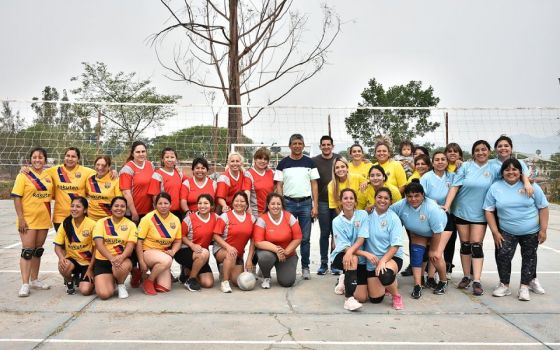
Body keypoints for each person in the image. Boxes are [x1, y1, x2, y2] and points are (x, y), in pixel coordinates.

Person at [484, 159, 549, 301]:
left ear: (520, 172)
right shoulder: (496, 187)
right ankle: (504, 285)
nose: (511, 172)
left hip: (531, 231)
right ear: (502, 173)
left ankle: (524, 287)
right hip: (507, 231)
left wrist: (543, 230)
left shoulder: (531, 186)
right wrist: (495, 232)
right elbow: (488, 210)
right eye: (507, 170)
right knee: (503, 255)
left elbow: (543, 207)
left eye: (514, 169)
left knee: (529, 258)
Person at [443, 140, 496, 296]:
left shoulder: (494, 167)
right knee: (465, 245)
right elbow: (455, 187)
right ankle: (466, 276)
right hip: (461, 211)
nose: (480, 152)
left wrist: (527, 182)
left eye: (484, 149)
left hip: (480, 212)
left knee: (476, 245)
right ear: (473, 153)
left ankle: (477, 280)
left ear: (489, 151)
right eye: (477, 150)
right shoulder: (465, 167)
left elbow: (509, 177)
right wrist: (447, 205)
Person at [391, 182, 449, 299]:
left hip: (441, 230)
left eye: (417, 196)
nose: (413, 199)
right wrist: (372, 208)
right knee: (416, 255)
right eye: (410, 196)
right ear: (405, 196)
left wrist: (432, 249)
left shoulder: (432, 208)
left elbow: (437, 231)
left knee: (435, 256)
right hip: (420, 232)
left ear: (423, 195)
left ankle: (443, 281)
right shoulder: (401, 205)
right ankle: (418, 285)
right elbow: (387, 211)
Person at [274, 134, 319, 280]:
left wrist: (315, 205)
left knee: (305, 238)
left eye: (300, 143)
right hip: (288, 203)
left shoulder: (310, 162)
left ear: (303, 145)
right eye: (295, 143)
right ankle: (287, 266)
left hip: (306, 204)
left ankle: (305, 267)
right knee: (288, 237)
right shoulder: (282, 164)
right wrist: (281, 205)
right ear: (290, 145)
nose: (297, 146)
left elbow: (314, 184)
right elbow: (279, 185)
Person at [11, 147, 54, 297]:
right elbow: (17, 197)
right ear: (30, 160)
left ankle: (35, 279)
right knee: (27, 251)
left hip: (44, 218)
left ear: (45, 160)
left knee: (37, 250)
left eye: (40, 157)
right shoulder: (23, 175)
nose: (37, 160)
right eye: (34, 157)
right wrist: (21, 218)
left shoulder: (49, 175)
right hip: (28, 219)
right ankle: (25, 284)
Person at [358, 187, 404, 310]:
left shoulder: (394, 218)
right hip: (372, 261)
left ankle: (396, 295)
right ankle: (387, 285)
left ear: (390, 201)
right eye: (379, 197)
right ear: (375, 199)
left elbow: (395, 245)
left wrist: (383, 261)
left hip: (391, 257)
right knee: (375, 299)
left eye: (386, 198)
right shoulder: (367, 215)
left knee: (385, 275)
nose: (382, 200)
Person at [119, 141, 155, 288]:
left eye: (143, 151)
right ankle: (134, 272)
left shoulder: (150, 165)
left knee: (147, 243)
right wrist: (133, 211)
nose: (141, 154)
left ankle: (145, 271)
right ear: (132, 153)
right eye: (138, 152)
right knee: (133, 244)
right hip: (134, 214)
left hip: (148, 213)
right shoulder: (127, 169)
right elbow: (126, 192)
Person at [329, 189, 369, 311]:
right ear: (341, 201)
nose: (348, 201)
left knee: (362, 297)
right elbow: (343, 246)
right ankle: (349, 299)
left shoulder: (362, 215)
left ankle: (344, 278)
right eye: (345, 198)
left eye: (351, 198)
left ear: (355, 201)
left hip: (357, 257)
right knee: (352, 259)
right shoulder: (336, 221)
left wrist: (353, 252)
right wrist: (364, 253)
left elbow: (361, 238)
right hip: (341, 255)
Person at [92, 196, 138, 300]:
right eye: (116, 206)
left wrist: (121, 257)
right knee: (104, 294)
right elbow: (99, 244)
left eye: (122, 206)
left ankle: (121, 284)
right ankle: (110, 280)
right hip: (103, 261)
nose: (119, 208)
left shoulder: (131, 225)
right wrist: (111, 258)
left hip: (122, 260)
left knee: (120, 267)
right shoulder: (101, 222)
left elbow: (130, 246)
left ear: (126, 209)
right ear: (111, 208)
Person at [253, 193, 302, 288]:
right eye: (273, 204)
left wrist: (286, 251)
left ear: (282, 205)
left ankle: (281, 268)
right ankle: (266, 276)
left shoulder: (289, 217)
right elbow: (258, 242)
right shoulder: (262, 219)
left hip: (286, 254)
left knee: (287, 282)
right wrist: (277, 250)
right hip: (269, 253)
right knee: (265, 257)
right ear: (268, 205)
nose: (276, 206)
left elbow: (298, 237)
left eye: (278, 204)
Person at [136, 192, 181, 295]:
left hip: (163, 255)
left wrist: (173, 251)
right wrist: (141, 261)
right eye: (160, 203)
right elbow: (139, 242)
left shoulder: (175, 219)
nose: (163, 206)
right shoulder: (147, 218)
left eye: (166, 203)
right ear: (155, 205)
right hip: (148, 252)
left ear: (171, 204)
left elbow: (178, 241)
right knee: (167, 260)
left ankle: (146, 276)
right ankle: (149, 281)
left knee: (164, 288)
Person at [421, 152, 456, 278]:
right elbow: (421, 196)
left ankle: (439, 274)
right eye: (437, 160)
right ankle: (430, 275)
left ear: (447, 162)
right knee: (431, 248)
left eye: (443, 159)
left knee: (439, 249)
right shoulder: (426, 177)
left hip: (447, 216)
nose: (440, 162)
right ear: (432, 162)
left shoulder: (452, 176)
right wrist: (432, 203)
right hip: (431, 217)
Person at [213, 191, 256, 293]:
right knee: (231, 254)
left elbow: (253, 240)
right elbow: (215, 235)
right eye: (236, 201)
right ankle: (225, 282)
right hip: (221, 250)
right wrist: (228, 247)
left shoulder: (251, 218)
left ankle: (225, 270)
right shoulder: (225, 216)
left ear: (246, 204)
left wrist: (249, 259)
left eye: (242, 201)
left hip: (238, 254)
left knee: (237, 282)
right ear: (232, 203)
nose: (239, 203)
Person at [174, 194, 217, 291]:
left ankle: (186, 273)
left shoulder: (215, 217)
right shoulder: (189, 219)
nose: (202, 206)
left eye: (206, 203)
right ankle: (191, 279)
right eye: (200, 203)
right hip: (184, 251)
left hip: (200, 254)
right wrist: (192, 245)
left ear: (212, 206)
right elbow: (181, 236)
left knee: (208, 283)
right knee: (205, 252)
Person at [54, 196, 96, 295]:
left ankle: (90, 279)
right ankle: (70, 281)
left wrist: (90, 269)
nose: (74, 209)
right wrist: (61, 258)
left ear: (85, 210)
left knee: (85, 291)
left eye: (78, 206)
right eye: (72, 206)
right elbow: (57, 246)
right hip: (73, 260)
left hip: (88, 262)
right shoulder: (66, 223)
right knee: (63, 266)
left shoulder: (92, 224)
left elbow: (96, 250)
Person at [47, 147, 96, 231]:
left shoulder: (88, 172)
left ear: (78, 159)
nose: (70, 159)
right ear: (64, 157)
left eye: (73, 156)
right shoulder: (53, 171)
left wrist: (112, 172)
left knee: (77, 243)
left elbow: (102, 174)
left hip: (80, 217)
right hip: (60, 217)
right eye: (67, 156)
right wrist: (25, 170)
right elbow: (37, 173)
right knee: (61, 243)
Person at [312, 135, 340, 275]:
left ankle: (335, 263)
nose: (326, 147)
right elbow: (313, 183)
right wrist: (314, 205)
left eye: (329, 144)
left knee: (336, 234)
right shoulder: (314, 161)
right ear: (320, 146)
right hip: (323, 202)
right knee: (324, 233)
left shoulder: (338, 159)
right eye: (324, 145)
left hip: (337, 202)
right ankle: (323, 263)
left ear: (332, 146)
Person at [442, 142, 464, 275]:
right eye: (449, 151)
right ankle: (443, 266)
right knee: (446, 241)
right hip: (445, 210)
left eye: (455, 151)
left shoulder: (463, 167)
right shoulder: (442, 168)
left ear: (460, 154)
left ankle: (449, 266)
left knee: (462, 241)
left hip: (460, 210)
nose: (452, 153)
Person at [148, 147, 184, 219]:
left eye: (172, 157)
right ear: (162, 159)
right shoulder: (157, 175)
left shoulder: (179, 173)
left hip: (177, 212)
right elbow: (155, 197)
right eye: (167, 157)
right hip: (163, 213)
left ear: (176, 159)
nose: (170, 159)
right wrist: (158, 213)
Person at [85, 155, 121, 221]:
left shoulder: (115, 179)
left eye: (104, 165)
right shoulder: (89, 178)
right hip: (91, 218)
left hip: (108, 219)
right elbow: (86, 194)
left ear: (109, 167)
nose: (100, 167)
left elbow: (119, 201)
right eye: (97, 164)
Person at [245, 147, 274, 217]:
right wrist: (247, 208)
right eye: (260, 158)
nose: (263, 161)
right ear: (255, 159)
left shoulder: (271, 172)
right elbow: (247, 193)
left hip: (271, 212)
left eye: (265, 159)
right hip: (255, 214)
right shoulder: (249, 174)